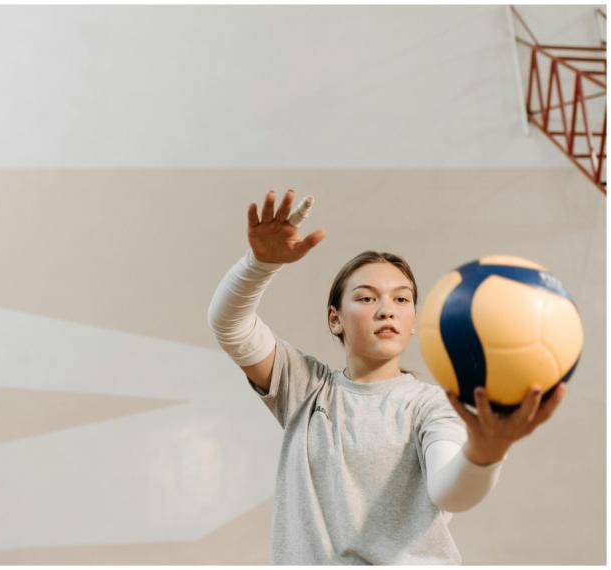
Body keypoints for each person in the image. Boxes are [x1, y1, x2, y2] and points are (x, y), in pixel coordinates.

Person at [206, 189, 567, 565]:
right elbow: (230, 326)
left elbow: (449, 492)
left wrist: (486, 453)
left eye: (401, 299)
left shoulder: (431, 405)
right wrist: (258, 265)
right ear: (335, 319)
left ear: (413, 322)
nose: (386, 310)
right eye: (366, 298)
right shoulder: (305, 388)